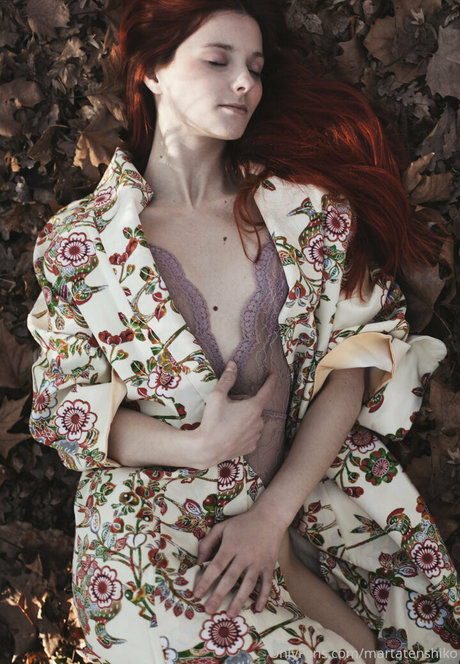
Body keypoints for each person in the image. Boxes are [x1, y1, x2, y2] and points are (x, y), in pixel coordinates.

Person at [28, 1, 460, 663]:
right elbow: (67, 410)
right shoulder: (83, 243)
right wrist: (197, 446)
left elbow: (355, 359)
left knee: (406, 646)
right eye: (217, 60)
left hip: (309, 503)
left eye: (255, 68)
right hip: (156, 529)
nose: (244, 83)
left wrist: (270, 517)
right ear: (152, 71)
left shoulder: (307, 211)